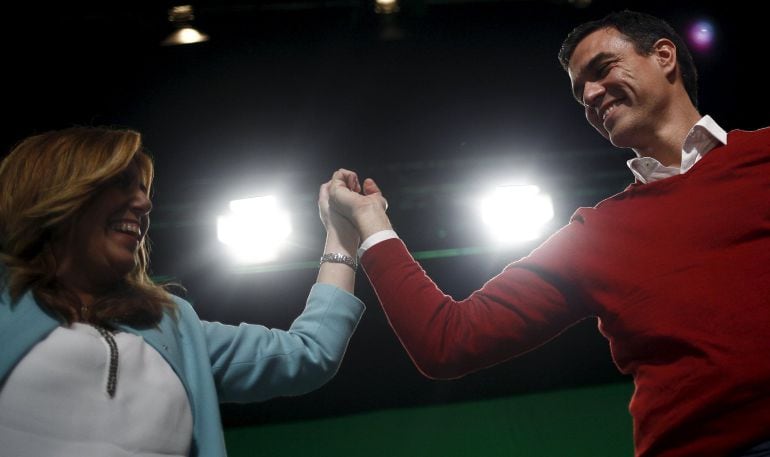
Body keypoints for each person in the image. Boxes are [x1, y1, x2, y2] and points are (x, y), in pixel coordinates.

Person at [323, 10, 770, 457]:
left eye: (602, 70)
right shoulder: (595, 236)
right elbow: (446, 340)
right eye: (580, 92)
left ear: (664, 56)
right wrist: (370, 223)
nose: (591, 95)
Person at [0, 126, 365, 457]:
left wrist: (341, 236)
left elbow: (308, 354)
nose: (144, 203)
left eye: (143, 190)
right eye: (122, 183)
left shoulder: (174, 325)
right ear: (59, 191)